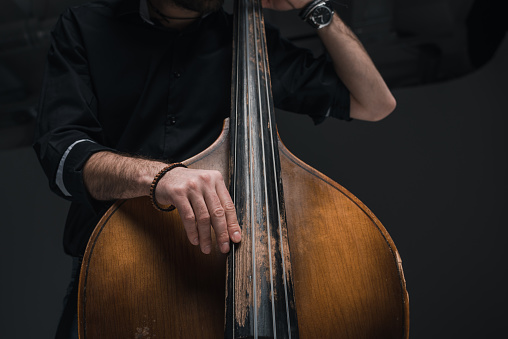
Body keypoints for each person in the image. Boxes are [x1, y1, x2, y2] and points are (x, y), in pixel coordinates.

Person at [33, 0, 396, 337]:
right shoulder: (86, 25)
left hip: (223, 277)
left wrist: (314, 6)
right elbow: (62, 152)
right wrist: (160, 177)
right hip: (118, 273)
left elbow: (374, 103)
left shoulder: (251, 40)